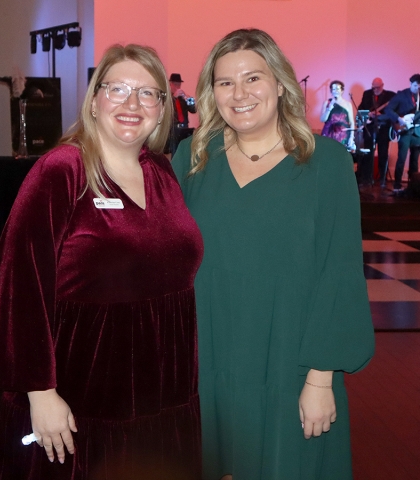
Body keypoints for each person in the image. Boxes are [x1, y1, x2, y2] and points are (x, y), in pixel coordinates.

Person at [0, 44, 203, 480]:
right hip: (81, 391)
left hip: (163, 389)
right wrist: (40, 391)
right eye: (118, 89)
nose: (131, 104)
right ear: (95, 100)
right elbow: (19, 284)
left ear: (162, 109)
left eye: (147, 93)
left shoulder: (161, 172)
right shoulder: (62, 170)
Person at [172, 28, 374, 480]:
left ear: (280, 84)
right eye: (225, 82)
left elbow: (339, 273)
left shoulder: (326, 163)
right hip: (209, 359)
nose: (239, 94)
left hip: (290, 362)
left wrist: (320, 378)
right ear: (211, 93)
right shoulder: (193, 158)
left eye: (253, 78)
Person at [357, 78, 395, 187]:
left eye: (377, 87)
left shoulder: (390, 95)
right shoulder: (367, 94)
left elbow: (393, 111)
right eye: (373, 87)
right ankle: (367, 178)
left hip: (383, 128)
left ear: (382, 85)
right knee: (368, 153)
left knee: (383, 153)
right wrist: (368, 114)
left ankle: (382, 178)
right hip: (369, 127)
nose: (375, 90)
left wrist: (381, 115)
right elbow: (361, 108)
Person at [385, 74, 420, 194]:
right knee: (402, 158)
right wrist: (399, 119)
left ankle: (414, 186)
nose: (417, 88)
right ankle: (397, 184)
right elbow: (388, 109)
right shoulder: (402, 95)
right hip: (404, 130)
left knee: (415, 160)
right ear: (410, 84)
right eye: (415, 85)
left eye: (419, 86)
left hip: (417, 132)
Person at [165, 73, 197, 156]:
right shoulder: (167, 98)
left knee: (185, 152)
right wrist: (174, 98)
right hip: (173, 130)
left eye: (179, 85)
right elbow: (165, 110)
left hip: (184, 129)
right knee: (175, 153)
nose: (177, 87)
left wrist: (188, 99)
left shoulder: (183, 98)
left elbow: (194, 110)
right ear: (170, 84)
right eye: (175, 84)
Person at [320, 80, 355, 151]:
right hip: (329, 133)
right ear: (331, 91)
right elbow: (322, 119)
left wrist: (351, 137)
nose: (335, 91)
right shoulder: (327, 102)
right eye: (333, 89)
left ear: (342, 91)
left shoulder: (348, 104)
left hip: (343, 134)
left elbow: (352, 122)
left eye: (337, 89)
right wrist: (329, 108)